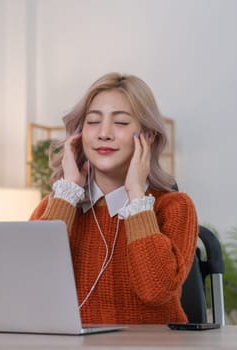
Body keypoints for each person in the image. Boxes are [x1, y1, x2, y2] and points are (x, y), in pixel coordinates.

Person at [30, 72, 198, 324]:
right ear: (79, 135)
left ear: (148, 136)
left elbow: (156, 291)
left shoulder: (174, 207)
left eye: (120, 122)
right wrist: (67, 194)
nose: (104, 133)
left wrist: (136, 197)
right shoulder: (54, 207)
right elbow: (30, 287)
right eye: (93, 121)